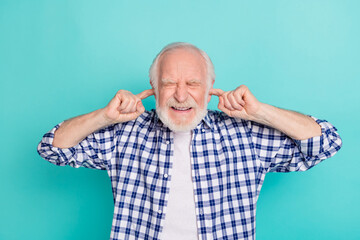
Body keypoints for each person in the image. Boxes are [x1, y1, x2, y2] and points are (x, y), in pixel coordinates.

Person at [38, 42, 342, 240]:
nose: (181, 96)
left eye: (193, 83)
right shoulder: (126, 132)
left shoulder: (244, 134)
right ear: (153, 88)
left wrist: (261, 112)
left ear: (210, 87)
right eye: (169, 83)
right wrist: (105, 116)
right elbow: (53, 147)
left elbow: (325, 142)